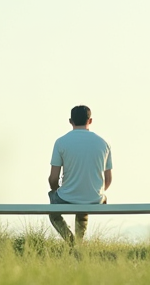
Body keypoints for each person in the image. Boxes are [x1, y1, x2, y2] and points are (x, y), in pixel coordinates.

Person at [47, 104, 113, 244]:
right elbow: (108, 179)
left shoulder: (61, 142)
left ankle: (71, 242)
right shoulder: (103, 143)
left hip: (67, 196)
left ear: (71, 121)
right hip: (95, 197)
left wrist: (56, 190)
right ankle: (79, 242)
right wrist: (97, 191)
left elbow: (53, 178)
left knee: (53, 210)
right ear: (90, 121)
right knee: (84, 201)